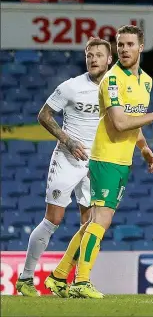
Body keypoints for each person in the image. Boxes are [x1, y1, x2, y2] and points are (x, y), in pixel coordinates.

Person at [68, 25, 153, 299]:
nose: (124, 49)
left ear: (141, 47)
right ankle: (81, 280)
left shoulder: (146, 81)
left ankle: (58, 275)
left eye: (129, 44)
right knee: (100, 220)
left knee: (93, 221)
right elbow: (120, 121)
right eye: (120, 44)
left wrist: (144, 148)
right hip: (105, 157)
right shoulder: (112, 80)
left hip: (122, 160)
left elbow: (132, 120)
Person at [14, 38, 111, 297]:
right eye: (89, 55)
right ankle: (25, 278)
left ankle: (73, 281)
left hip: (96, 162)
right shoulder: (71, 87)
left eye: (98, 55)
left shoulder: (115, 89)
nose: (93, 59)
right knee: (53, 220)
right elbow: (43, 115)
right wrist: (67, 141)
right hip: (68, 159)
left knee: (90, 224)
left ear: (108, 60)